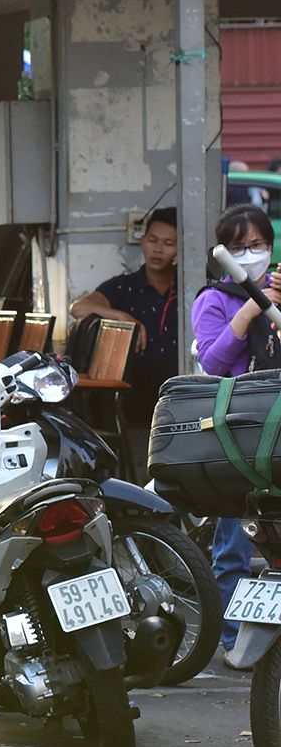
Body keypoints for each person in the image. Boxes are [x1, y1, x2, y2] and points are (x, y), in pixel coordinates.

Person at [189, 203, 275, 655]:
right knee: (233, 545)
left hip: (277, 429)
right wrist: (251, 310)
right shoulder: (214, 300)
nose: (249, 254)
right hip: (235, 435)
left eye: (257, 245)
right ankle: (232, 637)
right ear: (222, 251)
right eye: (238, 247)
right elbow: (215, 362)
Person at [69, 207, 181, 441]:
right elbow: (78, 308)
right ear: (142, 242)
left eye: (169, 243)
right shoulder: (124, 287)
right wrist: (121, 316)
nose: (158, 249)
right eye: (152, 240)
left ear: (180, 250)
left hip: (179, 387)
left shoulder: (190, 288)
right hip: (133, 389)